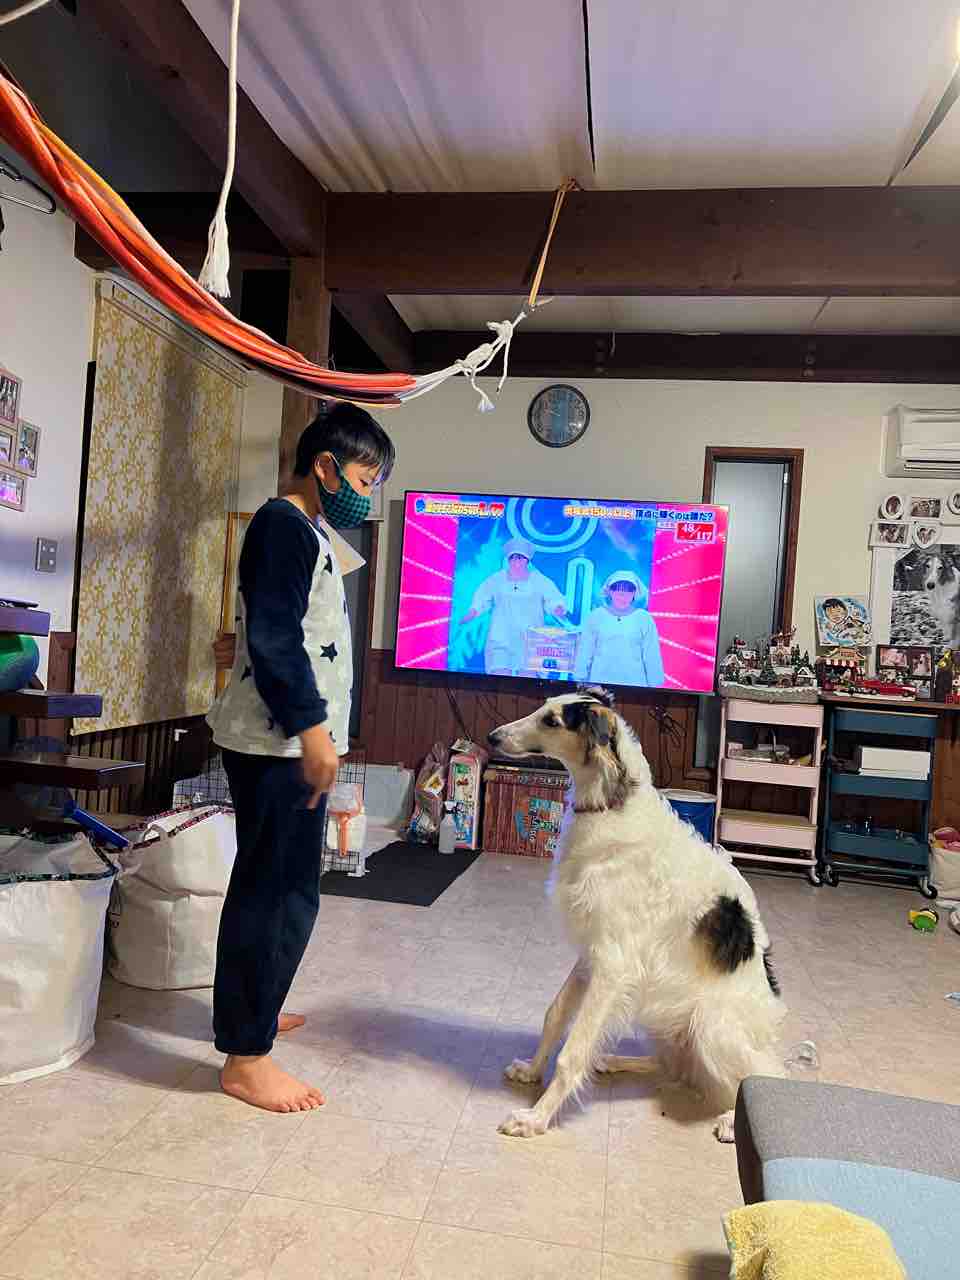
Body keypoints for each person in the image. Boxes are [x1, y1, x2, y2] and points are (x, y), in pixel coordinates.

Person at [206, 403, 394, 1113]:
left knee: (280, 887)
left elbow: (278, 625)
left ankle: (253, 1012)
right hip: (279, 743)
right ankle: (245, 1057)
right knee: (277, 893)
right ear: (324, 466)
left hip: (287, 739)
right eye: (364, 480)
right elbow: (278, 635)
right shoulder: (282, 524)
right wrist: (313, 731)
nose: (367, 497)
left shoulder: (305, 529)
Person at [458, 537, 567, 675]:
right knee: (500, 675)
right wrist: (473, 611)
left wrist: (558, 608)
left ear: (527, 560)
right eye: (512, 558)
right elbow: (483, 596)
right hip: (501, 637)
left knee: (527, 679)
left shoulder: (539, 580)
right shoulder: (497, 579)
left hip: (530, 639)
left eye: (520, 558)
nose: (516, 562)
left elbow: (553, 598)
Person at [575, 570, 665, 687]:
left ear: (635, 593)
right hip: (599, 684)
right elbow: (585, 650)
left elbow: (651, 653)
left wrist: (655, 686)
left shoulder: (643, 618)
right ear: (610, 591)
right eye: (618, 590)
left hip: (635, 684)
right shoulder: (596, 616)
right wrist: (580, 678)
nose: (622, 596)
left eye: (628, 591)